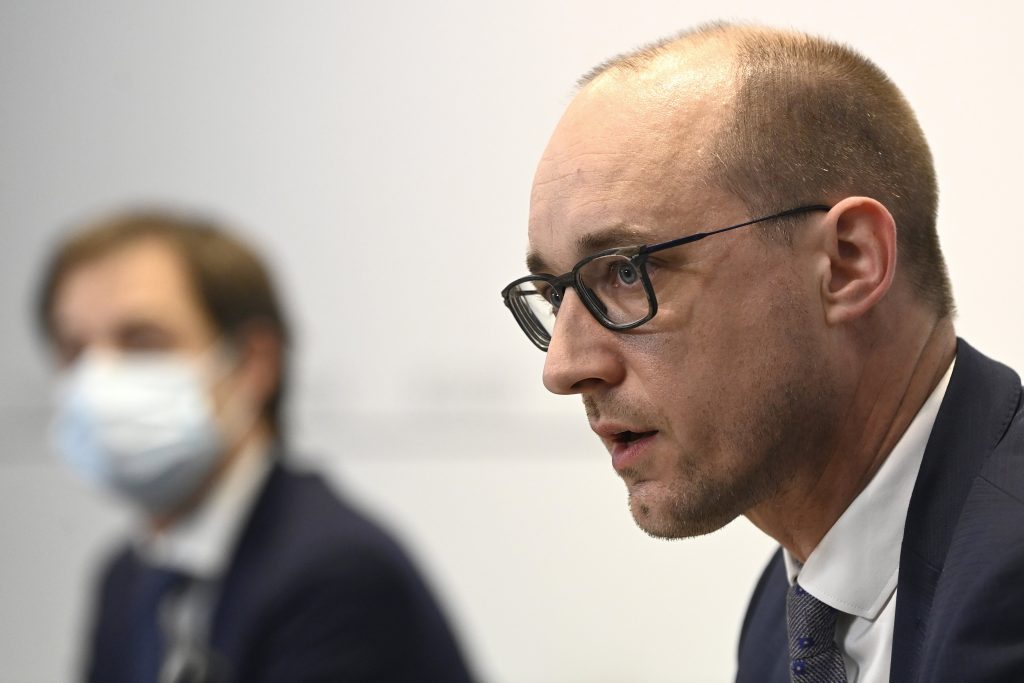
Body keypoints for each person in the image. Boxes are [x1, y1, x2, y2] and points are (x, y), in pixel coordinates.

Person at [501, 22, 1024, 683]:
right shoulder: (789, 617)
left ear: (848, 263)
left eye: (627, 272)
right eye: (555, 296)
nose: (563, 367)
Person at [38, 209, 475, 683]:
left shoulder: (336, 571)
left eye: (143, 342)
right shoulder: (127, 577)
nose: (98, 377)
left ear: (253, 363)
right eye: (74, 349)